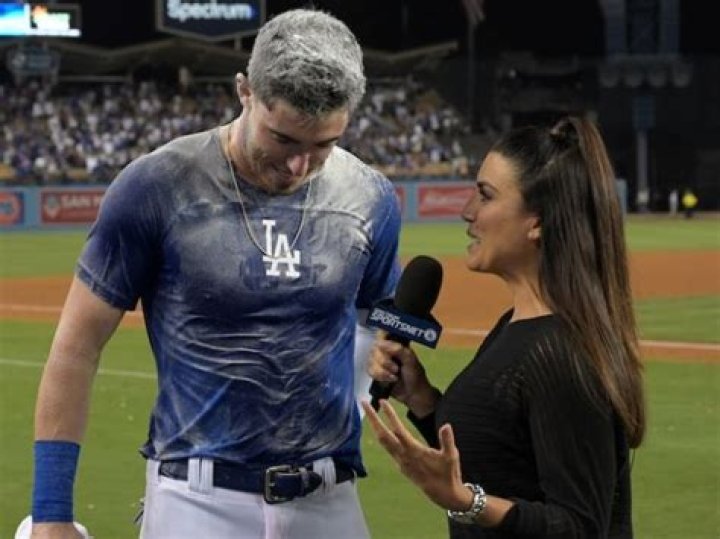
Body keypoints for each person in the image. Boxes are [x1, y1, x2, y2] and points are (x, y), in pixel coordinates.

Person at [28, 8, 401, 539]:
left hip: (330, 499)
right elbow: (76, 347)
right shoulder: (159, 184)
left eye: (323, 145)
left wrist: (359, 402)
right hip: (196, 501)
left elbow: (374, 321)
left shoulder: (369, 196)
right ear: (245, 91)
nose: (300, 165)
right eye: (283, 139)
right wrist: (50, 514)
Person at [362, 116, 646, 538]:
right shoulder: (516, 327)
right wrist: (421, 399)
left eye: (486, 195)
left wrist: (467, 502)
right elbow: (496, 461)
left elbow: (580, 527)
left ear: (537, 222)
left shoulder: (559, 353)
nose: (467, 212)